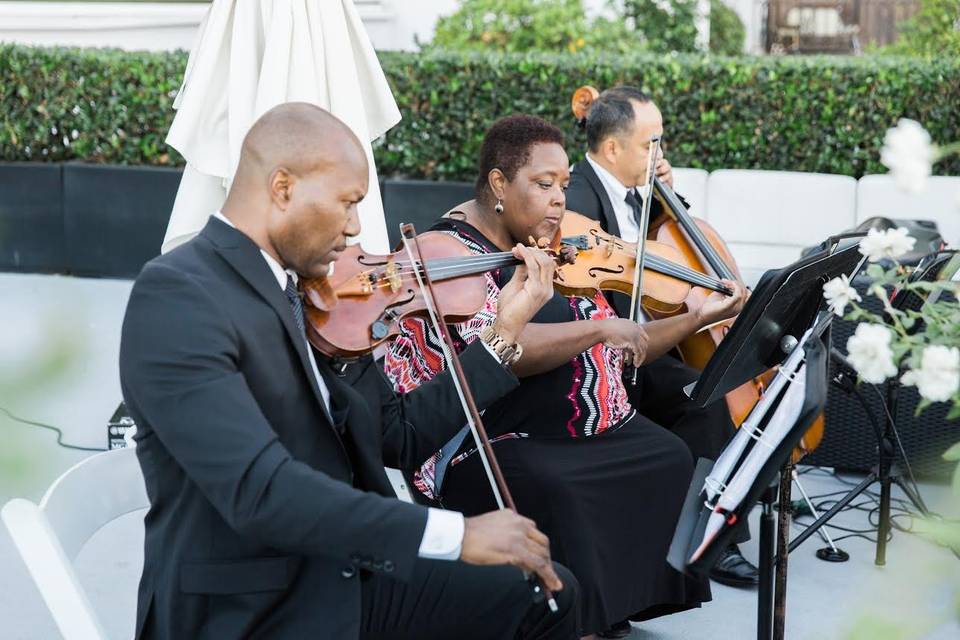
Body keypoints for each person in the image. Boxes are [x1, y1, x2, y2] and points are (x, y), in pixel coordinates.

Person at [119, 103, 579, 640]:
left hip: (338, 569)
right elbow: (259, 490)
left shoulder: (318, 299)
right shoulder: (179, 295)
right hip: (255, 607)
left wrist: (502, 331)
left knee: (547, 594)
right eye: (347, 203)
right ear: (283, 188)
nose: (356, 228)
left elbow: (400, 437)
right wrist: (454, 534)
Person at [385, 115, 727, 640]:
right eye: (543, 185)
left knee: (668, 454)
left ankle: (608, 607)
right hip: (488, 436)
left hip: (576, 427)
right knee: (554, 485)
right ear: (499, 184)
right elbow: (504, 350)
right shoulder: (447, 255)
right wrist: (599, 331)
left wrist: (696, 317)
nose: (559, 200)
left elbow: (624, 344)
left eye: (564, 185)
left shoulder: (553, 246)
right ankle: (570, 620)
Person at [563, 86, 761, 590]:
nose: (661, 153)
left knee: (709, 389)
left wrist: (666, 200)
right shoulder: (576, 198)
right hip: (599, 351)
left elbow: (675, 254)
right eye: (652, 143)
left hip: (649, 342)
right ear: (612, 149)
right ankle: (692, 538)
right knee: (698, 395)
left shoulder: (643, 191)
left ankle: (717, 524)